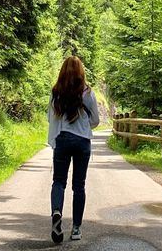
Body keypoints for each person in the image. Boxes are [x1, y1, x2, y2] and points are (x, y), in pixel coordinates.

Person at [48, 55, 100, 244]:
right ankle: (76, 229)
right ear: (81, 72)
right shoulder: (88, 92)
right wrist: (83, 126)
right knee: (79, 186)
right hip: (82, 142)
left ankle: (56, 211)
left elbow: (50, 118)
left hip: (62, 139)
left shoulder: (56, 92)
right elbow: (95, 121)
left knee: (58, 181)